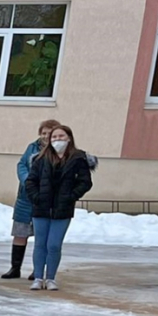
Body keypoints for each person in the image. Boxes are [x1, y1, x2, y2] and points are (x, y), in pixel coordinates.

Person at [25, 125, 93, 291]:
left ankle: (51, 278)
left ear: (69, 138)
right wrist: (37, 197)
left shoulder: (78, 158)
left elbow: (85, 182)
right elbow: (30, 181)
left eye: (61, 136)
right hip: (41, 209)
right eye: (54, 137)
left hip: (63, 209)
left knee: (54, 245)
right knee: (40, 244)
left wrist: (71, 196)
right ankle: (38, 278)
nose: (57, 140)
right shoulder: (40, 158)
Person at [4, 120, 59, 280]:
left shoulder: (58, 151)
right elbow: (22, 164)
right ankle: (15, 268)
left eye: (49, 133)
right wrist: (27, 180)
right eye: (43, 133)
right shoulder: (32, 147)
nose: (45, 136)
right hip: (26, 198)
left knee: (42, 238)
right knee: (20, 233)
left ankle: (38, 270)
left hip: (46, 199)